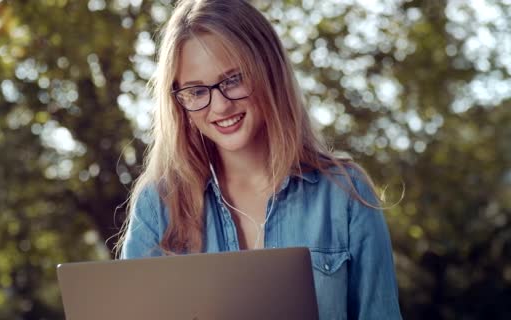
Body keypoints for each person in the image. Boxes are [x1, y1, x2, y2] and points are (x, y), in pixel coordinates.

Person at [117, 0, 402, 318]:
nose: (220, 106)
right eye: (197, 91)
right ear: (179, 103)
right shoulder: (158, 205)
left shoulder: (344, 194)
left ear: (269, 71)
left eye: (233, 80)